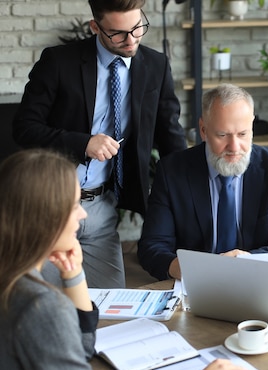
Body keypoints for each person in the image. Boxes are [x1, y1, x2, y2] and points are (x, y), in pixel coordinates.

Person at [0, 149, 251, 370]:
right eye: (74, 205)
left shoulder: (13, 283)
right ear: (44, 218)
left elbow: (78, 351)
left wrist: (74, 276)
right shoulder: (42, 307)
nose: (83, 215)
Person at [12, 0, 187, 288]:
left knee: (112, 304)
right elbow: (24, 129)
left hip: (101, 206)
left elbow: (169, 135)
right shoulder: (59, 62)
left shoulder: (156, 65)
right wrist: (83, 143)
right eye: (118, 33)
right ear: (96, 27)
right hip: (49, 206)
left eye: (137, 28)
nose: (131, 40)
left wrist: (188, 187)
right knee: (49, 303)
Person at [137, 83, 268, 281]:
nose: (234, 147)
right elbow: (152, 245)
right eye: (222, 135)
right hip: (195, 283)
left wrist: (251, 260)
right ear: (203, 129)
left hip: (257, 277)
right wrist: (182, 268)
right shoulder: (172, 171)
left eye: (243, 134)